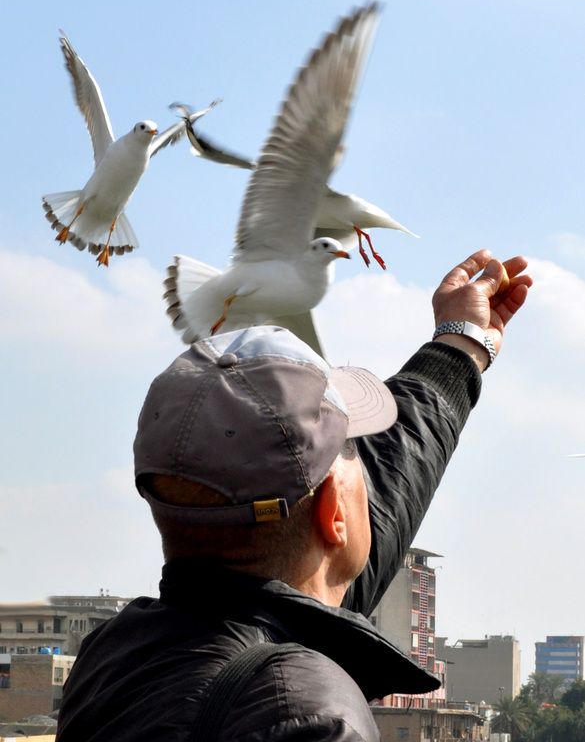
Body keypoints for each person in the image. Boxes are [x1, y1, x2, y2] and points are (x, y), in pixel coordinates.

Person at [55, 249, 532, 741]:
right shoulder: (304, 714)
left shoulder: (117, 658)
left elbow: (383, 488)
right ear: (333, 513)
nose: (368, 471)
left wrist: (460, 347)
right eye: (354, 453)